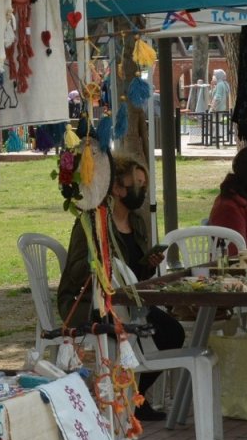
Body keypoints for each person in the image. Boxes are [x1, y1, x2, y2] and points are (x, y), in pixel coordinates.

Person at [57, 157, 184, 422]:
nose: (141, 189)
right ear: (116, 188)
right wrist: (100, 262)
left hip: (126, 300)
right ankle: (117, 398)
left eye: (143, 183)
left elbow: (133, 277)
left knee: (173, 332)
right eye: (136, 183)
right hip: (86, 302)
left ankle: (136, 394)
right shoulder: (92, 221)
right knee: (124, 332)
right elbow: (75, 272)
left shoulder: (136, 223)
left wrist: (148, 265)